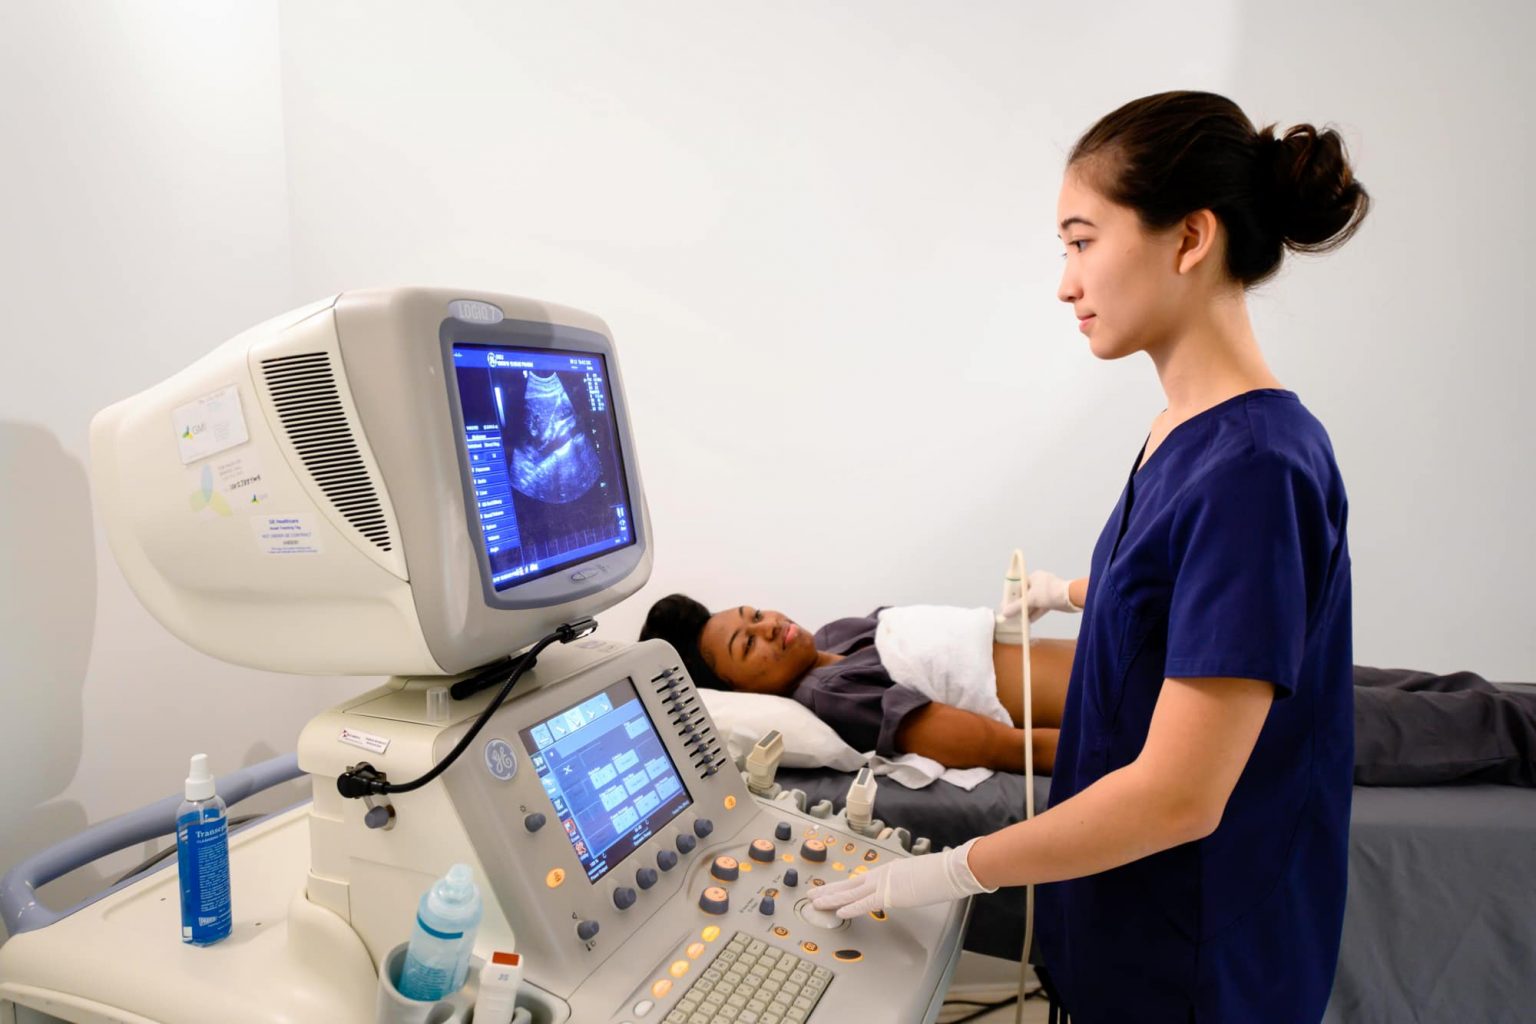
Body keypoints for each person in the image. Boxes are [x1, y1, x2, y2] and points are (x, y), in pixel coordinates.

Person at [802, 90, 1361, 1023]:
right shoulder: (1182, 430)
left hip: (1193, 969)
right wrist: (1068, 592)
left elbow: (1180, 797)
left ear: (1189, 239)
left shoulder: (1257, 466)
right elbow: (1182, 590)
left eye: (1080, 240)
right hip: (1119, 929)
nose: (1065, 282)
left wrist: (949, 870)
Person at [639, 589, 1536, 786]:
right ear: (733, 685)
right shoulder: (834, 700)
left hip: (1161, 659)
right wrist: (1143, 761)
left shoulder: (839, 640)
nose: (767, 628)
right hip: (1151, 711)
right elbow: (985, 745)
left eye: (751, 615)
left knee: (1408, 685)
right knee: (1383, 726)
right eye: (747, 647)